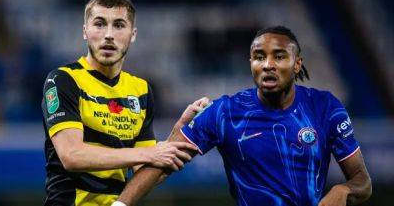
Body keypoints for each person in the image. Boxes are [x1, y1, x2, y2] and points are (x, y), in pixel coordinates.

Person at [112, 26, 372, 206]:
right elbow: (163, 164)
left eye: (279, 56)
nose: (268, 64)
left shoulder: (325, 107)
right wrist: (121, 203)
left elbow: (362, 181)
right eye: (259, 57)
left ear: (297, 63)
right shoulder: (225, 112)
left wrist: (343, 189)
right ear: (250, 63)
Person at [41, 0, 201, 206]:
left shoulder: (141, 89)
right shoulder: (63, 80)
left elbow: (145, 171)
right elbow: (72, 156)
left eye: (119, 25)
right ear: (85, 32)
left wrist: (176, 139)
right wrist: (150, 153)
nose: (108, 35)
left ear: (132, 34)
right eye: (99, 24)